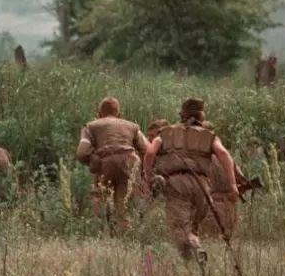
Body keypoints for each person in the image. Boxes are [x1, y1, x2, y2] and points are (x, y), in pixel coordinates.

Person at [143, 97, 238, 261]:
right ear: (202, 117)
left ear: (182, 115)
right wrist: (233, 185)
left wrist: (149, 176)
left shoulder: (166, 133)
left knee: (180, 229)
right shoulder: (210, 136)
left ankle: (197, 253)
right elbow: (224, 154)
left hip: (177, 185)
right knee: (192, 228)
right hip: (202, 187)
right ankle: (193, 266)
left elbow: (150, 153)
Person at [75, 96, 149, 230]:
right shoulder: (132, 126)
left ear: (98, 115)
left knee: (100, 202)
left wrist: (93, 160)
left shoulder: (90, 126)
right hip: (129, 164)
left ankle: (101, 233)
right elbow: (148, 150)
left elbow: (81, 152)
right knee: (123, 206)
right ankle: (123, 235)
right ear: (119, 115)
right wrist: (143, 170)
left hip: (105, 165)